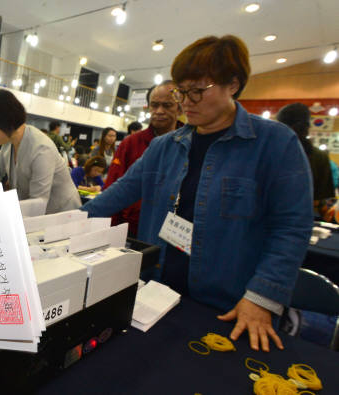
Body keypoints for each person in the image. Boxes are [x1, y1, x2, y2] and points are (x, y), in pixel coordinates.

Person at [81, 35, 313, 352]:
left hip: (228, 306)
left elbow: (291, 226)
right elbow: (120, 192)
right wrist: (63, 224)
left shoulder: (275, 143)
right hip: (156, 292)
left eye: (197, 91)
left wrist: (262, 297)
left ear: (233, 84)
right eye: (181, 91)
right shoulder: (164, 147)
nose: (186, 101)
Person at [0, 89, 81, 214]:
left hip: (62, 212)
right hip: (36, 210)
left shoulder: (41, 149)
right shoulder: (8, 143)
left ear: (6, 120)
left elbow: (39, 201)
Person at [103, 80, 183, 236]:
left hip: (174, 232)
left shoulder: (190, 143)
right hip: (132, 229)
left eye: (167, 105)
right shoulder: (130, 143)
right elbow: (113, 188)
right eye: (154, 105)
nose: (159, 111)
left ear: (179, 108)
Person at [276, 103, 335, 215]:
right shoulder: (318, 156)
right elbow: (326, 199)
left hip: (279, 220)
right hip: (308, 219)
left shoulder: (272, 151)